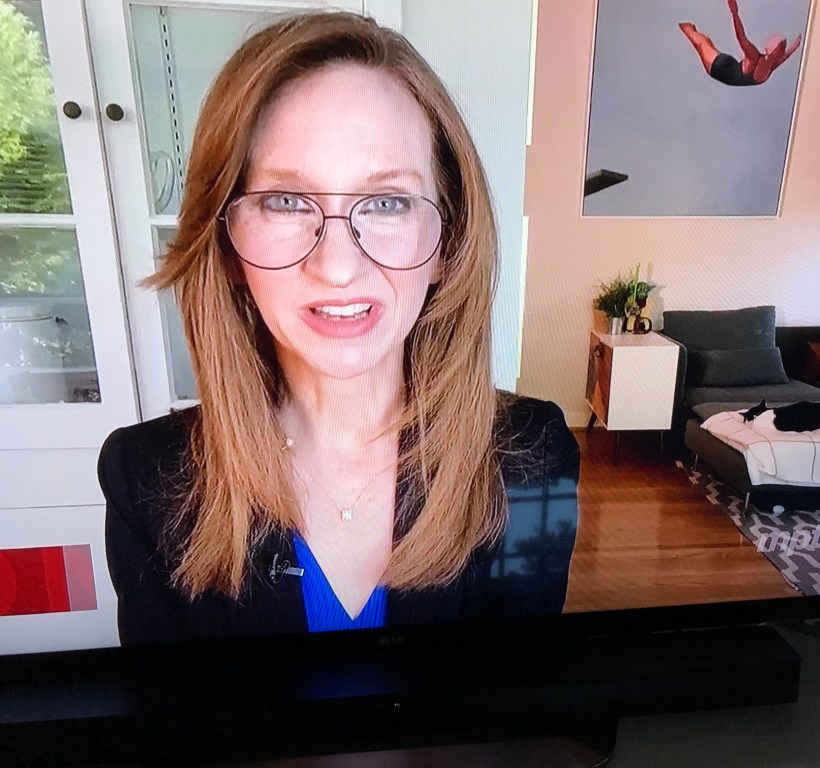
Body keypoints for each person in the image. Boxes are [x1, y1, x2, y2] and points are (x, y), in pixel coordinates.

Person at [97, 11, 580, 645]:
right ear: (227, 242)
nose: (338, 266)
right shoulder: (146, 479)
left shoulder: (532, 456)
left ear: (447, 239)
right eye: (285, 201)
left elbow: (518, 698)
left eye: (387, 202)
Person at [679, 0, 803, 87]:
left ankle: (684, 25)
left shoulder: (756, 57)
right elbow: (786, 54)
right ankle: (687, 27)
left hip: (719, 68)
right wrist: (796, 44)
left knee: (701, 42)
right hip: (725, 66)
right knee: (704, 42)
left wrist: (735, 13)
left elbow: (741, 38)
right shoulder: (770, 64)